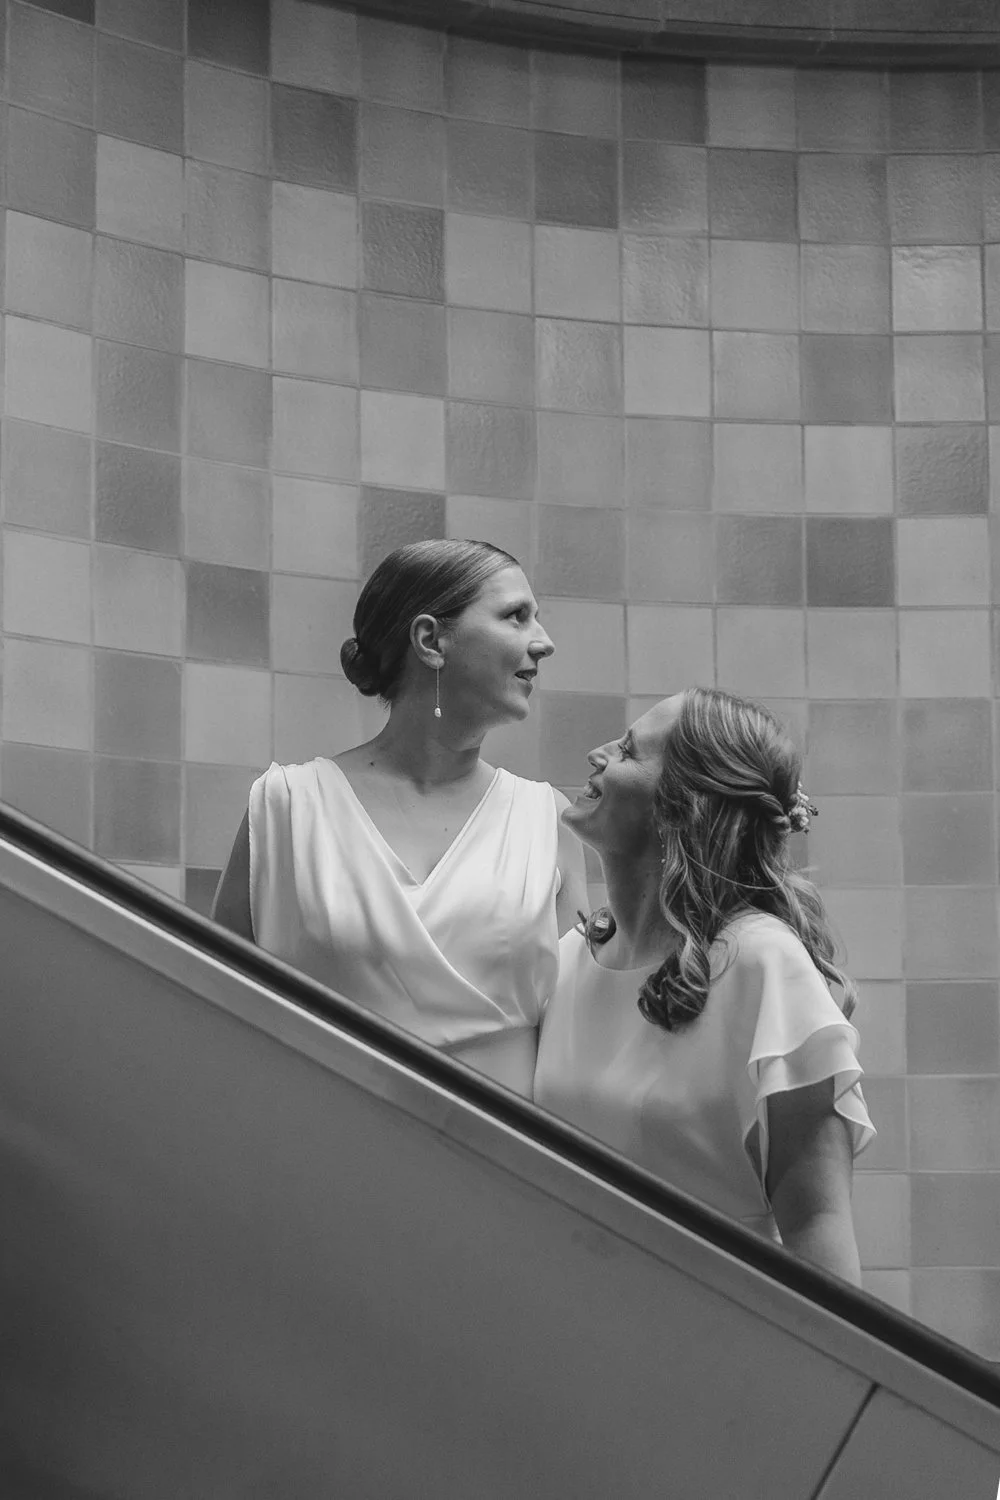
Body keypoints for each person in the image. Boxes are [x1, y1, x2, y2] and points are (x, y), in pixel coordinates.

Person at [213, 539, 588, 1097]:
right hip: (318, 1151)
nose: (545, 642)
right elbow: (216, 1013)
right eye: (516, 616)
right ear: (431, 640)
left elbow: (575, 1037)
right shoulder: (286, 807)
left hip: (506, 1164)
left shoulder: (548, 820)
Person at [534, 687, 874, 1283]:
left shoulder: (761, 964)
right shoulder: (568, 959)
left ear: (679, 806)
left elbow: (819, 1230)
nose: (597, 754)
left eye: (629, 751)